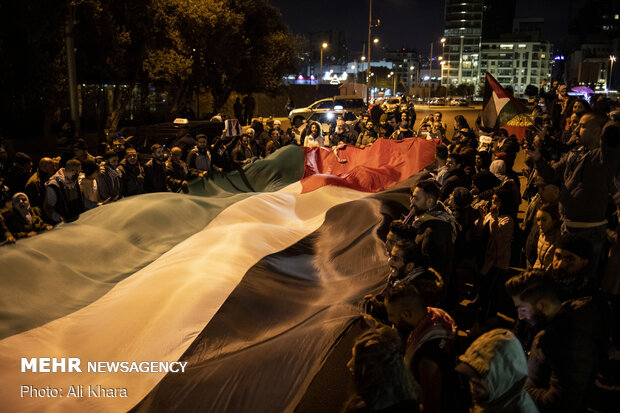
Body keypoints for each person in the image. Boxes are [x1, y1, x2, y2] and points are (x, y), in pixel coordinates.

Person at [528, 115, 620, 275]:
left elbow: (611, 142)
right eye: (576, 125)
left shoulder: (602, 157)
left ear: (597, 131)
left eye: (582, 126)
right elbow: (551, 176)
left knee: (583, 277)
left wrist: (610, 125)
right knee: (564, 275)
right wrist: (538, 159)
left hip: (590, 233)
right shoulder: (573, 154)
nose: (576, 130)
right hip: (567, 227)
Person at [505, 270, 604, 412]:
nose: (520, 317)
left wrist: (518, 386)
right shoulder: (552, 326)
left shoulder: (568, 341)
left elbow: (559, 402)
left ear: (542, 306)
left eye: (523, 309)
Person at [384, 284, 465, 413]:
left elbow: (431, 406)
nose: (389, 319)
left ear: (406, 315)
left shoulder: (426, 357)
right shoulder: (437, 314)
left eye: (391, 315)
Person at [455, 329, 538, 413]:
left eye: (480, 375)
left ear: (503, 375)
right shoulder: (492, 399)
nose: (473, 381)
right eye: (471, 374)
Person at [343, 326, 420, 413]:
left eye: (355, 358)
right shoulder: (410, 403)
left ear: (371, 367)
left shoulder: (362, 407)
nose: (349, 364)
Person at [471, 191, 515, 318]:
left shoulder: (507, 220)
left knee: (490, 289)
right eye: (492, 199)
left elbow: (497, 238)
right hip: (484, 254)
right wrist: (482, 217)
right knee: (481, 283)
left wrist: (494, 218)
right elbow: (479, 230)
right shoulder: (491, 214)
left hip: (496, 260)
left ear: (503, 203)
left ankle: (489, 315)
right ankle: (479, 301)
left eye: (496, 200)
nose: (492, 202)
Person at [404, 179, 458, 281]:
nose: (411, 201)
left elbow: (433, 268)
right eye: (412, 197)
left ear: (430, 202)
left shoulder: (436, 229)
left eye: (416, 198)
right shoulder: (422, 219)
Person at [43, 159, 84, 224]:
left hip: (77, 221)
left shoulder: (73, 181)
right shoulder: (54, 185)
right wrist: (60, 219)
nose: (79, 174)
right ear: (73, 171)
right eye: (78, 172)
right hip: (63, 224)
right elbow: (48, 208)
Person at [533, 204, 562, 271]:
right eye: (538, 219)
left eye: (544, 220)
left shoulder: (558, 238)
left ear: (554, 220)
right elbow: (539, 260)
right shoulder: (542, 235)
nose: (540, 223)